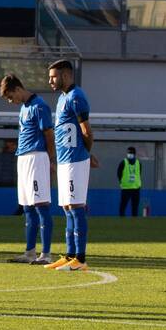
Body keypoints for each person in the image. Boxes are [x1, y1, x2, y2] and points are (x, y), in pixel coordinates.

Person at [1, 74, 56, 264]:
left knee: (41, 206)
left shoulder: (39, 106)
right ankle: (30, 252)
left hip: (36, 157)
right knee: (27, 208)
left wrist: (50, 159)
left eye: (10, 96)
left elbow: (49, 134)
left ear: (18, 89)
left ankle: (46, 254)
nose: (10, 101)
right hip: (23, 158)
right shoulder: (24, 108)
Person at [47, 59, 95, 270]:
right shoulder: (62, 98)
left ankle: (80, 259)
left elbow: (86, 131)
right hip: (65, 160)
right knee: (67, 207)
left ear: (66, 75)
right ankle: (69, 255)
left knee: (76, 208)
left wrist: (85, 153)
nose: (50, 81)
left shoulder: (76, 97)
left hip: (75, 160)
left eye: (53, 76)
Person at [118, 146, 142, 217]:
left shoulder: (138, 163)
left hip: (136, 188)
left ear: (134, 154)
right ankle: (122, 220)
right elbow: (119, 173)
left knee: (135, 207)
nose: (129, 154)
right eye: (128, 153)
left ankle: (134, 221)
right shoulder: (123, 162)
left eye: (130, 153)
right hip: (126, 188)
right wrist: (121, 182)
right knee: (123, 206)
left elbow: (139, 173)